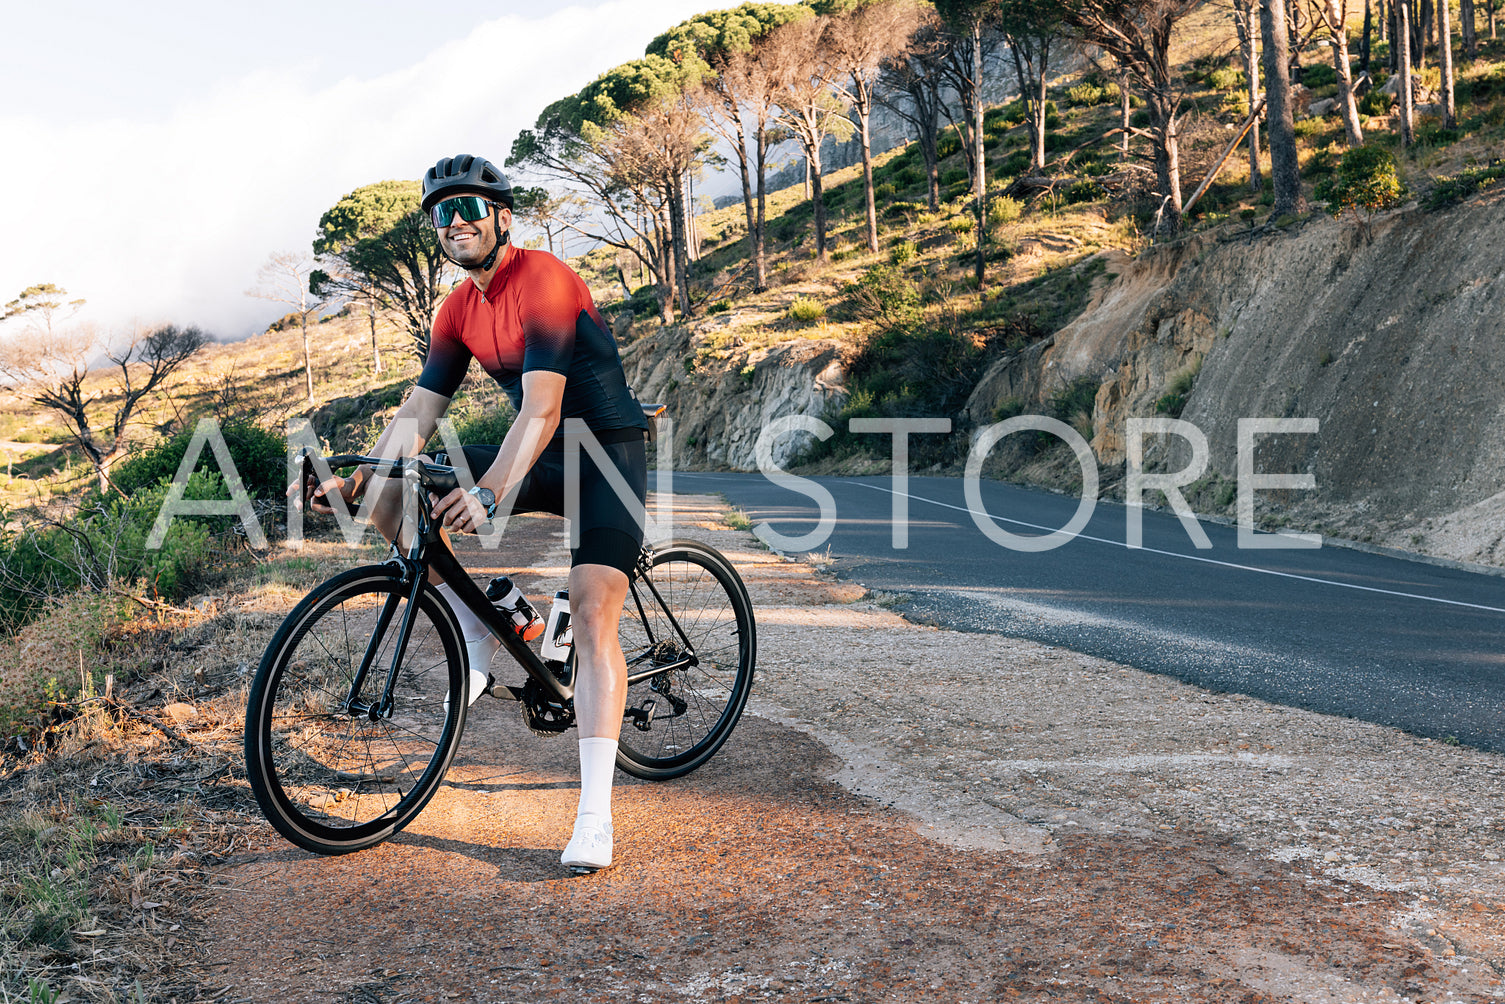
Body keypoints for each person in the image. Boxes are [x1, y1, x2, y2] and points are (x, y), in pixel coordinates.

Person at [305, 154, 649, 873]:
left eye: (469, 207)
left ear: (502, 217)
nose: (454, 221)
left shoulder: (544, 280)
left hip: (604, 453)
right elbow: (419, 411)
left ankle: (594, 817)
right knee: (399, 489)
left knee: (591, 616)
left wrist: (490, 490)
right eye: (441, 211)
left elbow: (542, 407)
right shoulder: (458, 308)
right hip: (545, 447)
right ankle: (475, 627)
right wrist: (361, 482)